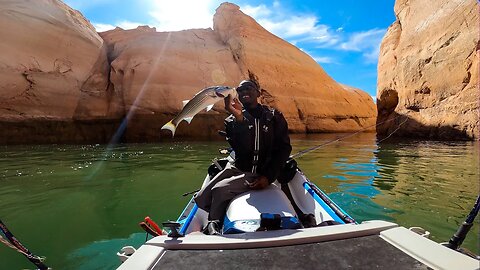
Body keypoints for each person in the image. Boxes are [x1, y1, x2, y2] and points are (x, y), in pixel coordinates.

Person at [194, 79, 292, 235]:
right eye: (240, 90)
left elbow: (284, 148)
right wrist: (239, 118)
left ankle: (214, 223)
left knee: (219, 190)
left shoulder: (274, 117)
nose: (244, 92)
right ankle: (221, 207)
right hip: (238, 167)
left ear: (258, 93)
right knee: (201, 197)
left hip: (260, 171)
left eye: (249, 88)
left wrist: (268, 177)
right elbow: (242, 149)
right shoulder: (231, 120)